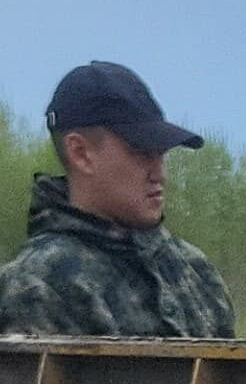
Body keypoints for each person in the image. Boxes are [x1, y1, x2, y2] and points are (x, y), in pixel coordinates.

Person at [0, 63, 234, 339]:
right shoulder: (37, 285)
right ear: (81, 153)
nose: (160, 174)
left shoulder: (195, 269)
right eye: (142, 152)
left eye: (162, 154)